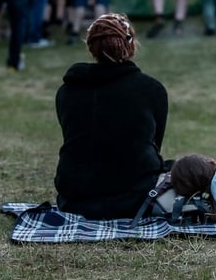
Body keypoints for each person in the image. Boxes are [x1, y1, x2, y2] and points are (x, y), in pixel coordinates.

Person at [54, 13, 170, 219]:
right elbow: (154, 146)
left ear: (91, 48)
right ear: (131, 45)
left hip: (75, 199)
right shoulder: (151, 89)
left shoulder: (67, 91)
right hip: (134, 199)